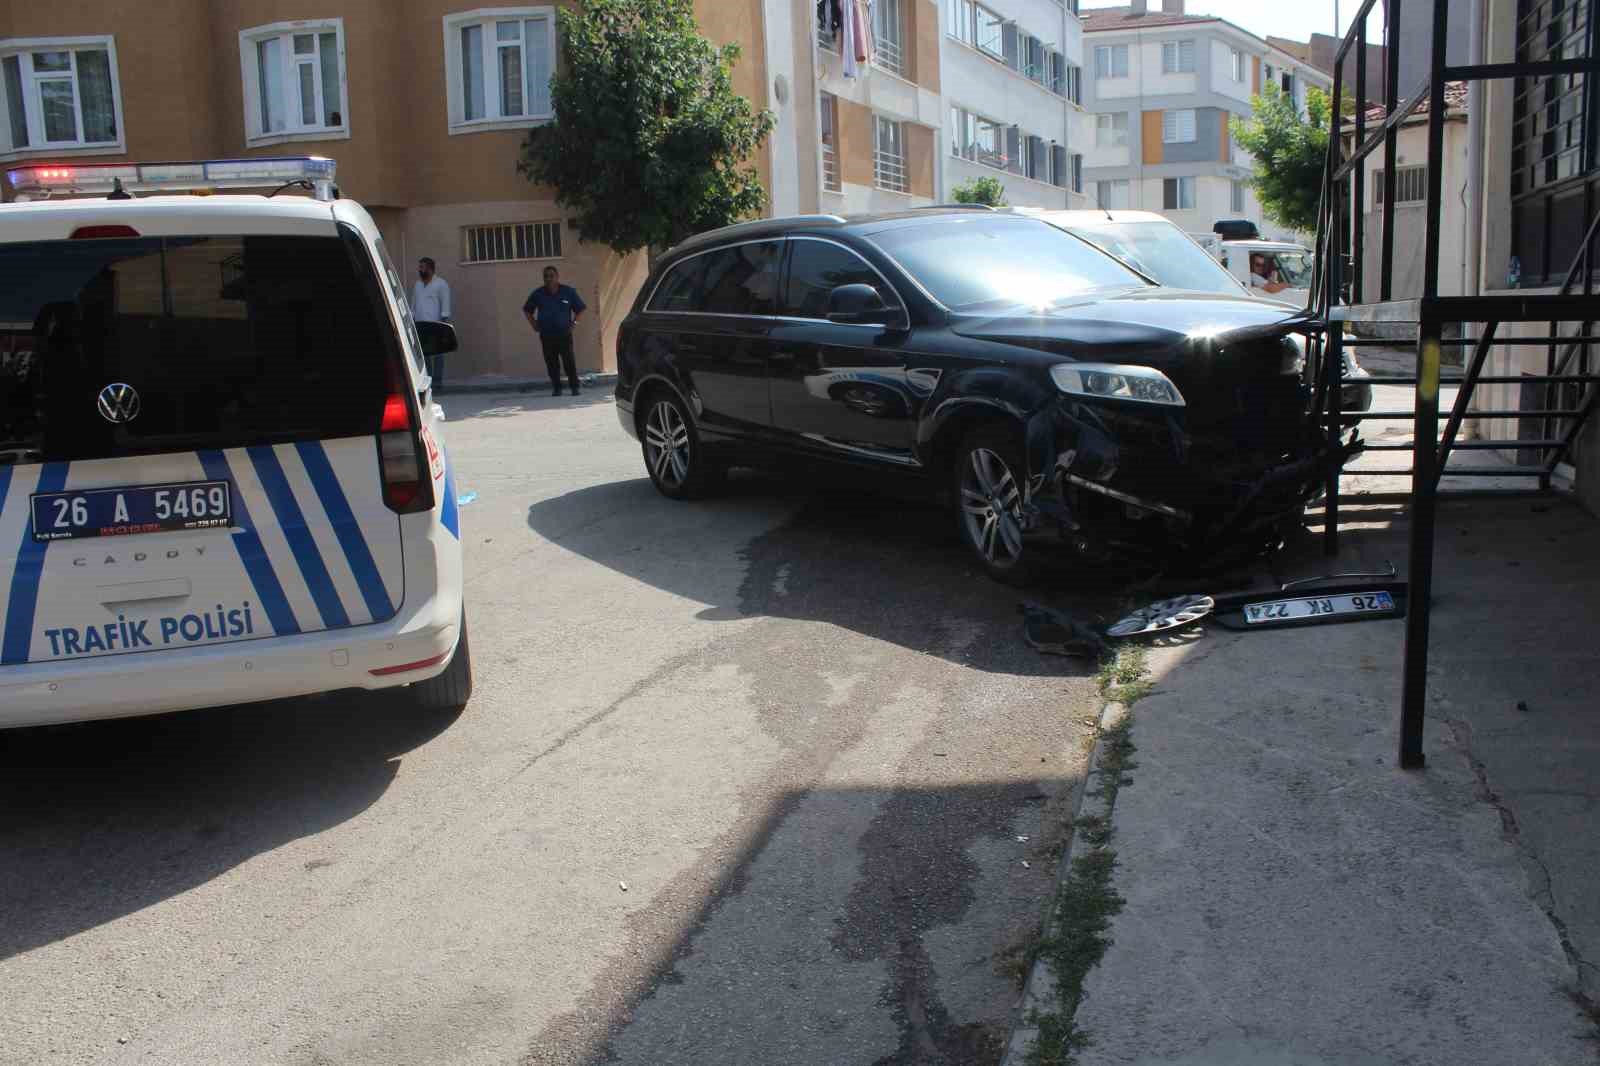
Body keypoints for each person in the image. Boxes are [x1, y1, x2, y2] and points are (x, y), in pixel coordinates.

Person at [523, 266, 587, 396]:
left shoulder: (568, 292)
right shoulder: (538, 294)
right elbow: (527, 310)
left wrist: (574, 323)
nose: (549, 279)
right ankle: (557, 388)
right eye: (546, 276)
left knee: (569, 361)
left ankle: (574, 387)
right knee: (551, 363)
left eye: (551, 276)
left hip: (564, 334)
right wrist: (534, 324)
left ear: (557, 277)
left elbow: (580, 308)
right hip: (546, 335)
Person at [412, 257, 453, 387]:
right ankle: (428, 382)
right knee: (425, 355)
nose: (420, 269)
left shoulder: (441, 284)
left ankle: (437, 382)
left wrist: (443, 322)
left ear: (430, 269)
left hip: (436, 324)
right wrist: (412, 318)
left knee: (438, 355)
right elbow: (414, 303)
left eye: (422, 267)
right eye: (419, 267)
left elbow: (445, 305)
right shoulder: (418, 284)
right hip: (420, 324)